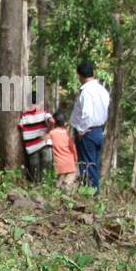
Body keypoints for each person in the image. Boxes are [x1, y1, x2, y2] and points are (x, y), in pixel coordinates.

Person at [70, 60, 109, 189]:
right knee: (94, 164)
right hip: (98, 131)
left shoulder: (86, 92)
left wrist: (81, 130)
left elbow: (87, 114)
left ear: (79, 75)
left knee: (87, 164)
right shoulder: (102, 90)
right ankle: (93, 191)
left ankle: (91, 192)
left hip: (88, 132)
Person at [17, 90, 54, 183]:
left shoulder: (24, 116)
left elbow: (20, 128)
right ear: (40, 101)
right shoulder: (44, 113)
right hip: (44, 143)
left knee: (35, 169)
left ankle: (37, 187)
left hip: (31, 147)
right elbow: (52, 121)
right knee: (46, 166)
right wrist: (47, 132)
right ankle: (46, 185)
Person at [48, 109, 78, 189]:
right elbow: (73, 148)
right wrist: (75, 159)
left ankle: (58, 191)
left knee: (59, 181)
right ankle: (66, 187)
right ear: (64, 123)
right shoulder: (66, 134)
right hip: (70, 163)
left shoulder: (52, 133)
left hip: (59, 164)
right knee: (70, 178)